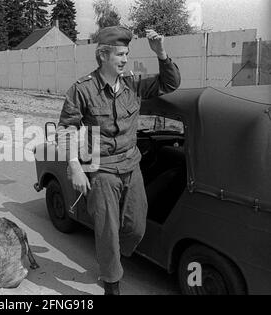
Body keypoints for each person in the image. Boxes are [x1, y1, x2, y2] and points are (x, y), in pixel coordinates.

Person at [56, 26, 181, 295]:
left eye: (126, 54)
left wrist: (161, 53)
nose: (125, 60)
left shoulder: (132, 85)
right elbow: (66, 129)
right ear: (103, 55)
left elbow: (169, 84)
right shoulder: (83, 89)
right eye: (120, 55)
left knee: (135, 227)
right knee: (107, 231)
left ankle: (111, 257)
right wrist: (75, 165)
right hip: (102, 171)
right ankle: (111, 282)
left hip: (131, 165)